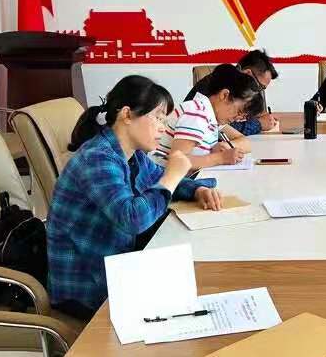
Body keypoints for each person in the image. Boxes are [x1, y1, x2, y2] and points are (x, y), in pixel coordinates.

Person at [47, 75, 223, 319]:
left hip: (117, 266)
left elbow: (159, 177)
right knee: (195, 301)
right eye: (158, 118)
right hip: (88, 287)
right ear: (127, 115)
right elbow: (131, 218)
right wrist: (172, 177)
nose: (163, 128)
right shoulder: (97, 158)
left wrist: (196, 189)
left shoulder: (133, 154)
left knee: (201, 284)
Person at [160, 64, 262, 171]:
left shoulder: (212, 117)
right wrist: (221, 158)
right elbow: (177, 161)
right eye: (239, 111)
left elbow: (246, 143)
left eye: (243, 117)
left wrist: (225, 146)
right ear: (224, 95)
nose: (238, 118)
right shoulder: (197, 112)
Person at [187, 50, 279, 135]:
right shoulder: (214, 84)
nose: (258, 92)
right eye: (259, 87)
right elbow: (219, 126)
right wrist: (258, 124)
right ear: (247, 73)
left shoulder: (241, 94)